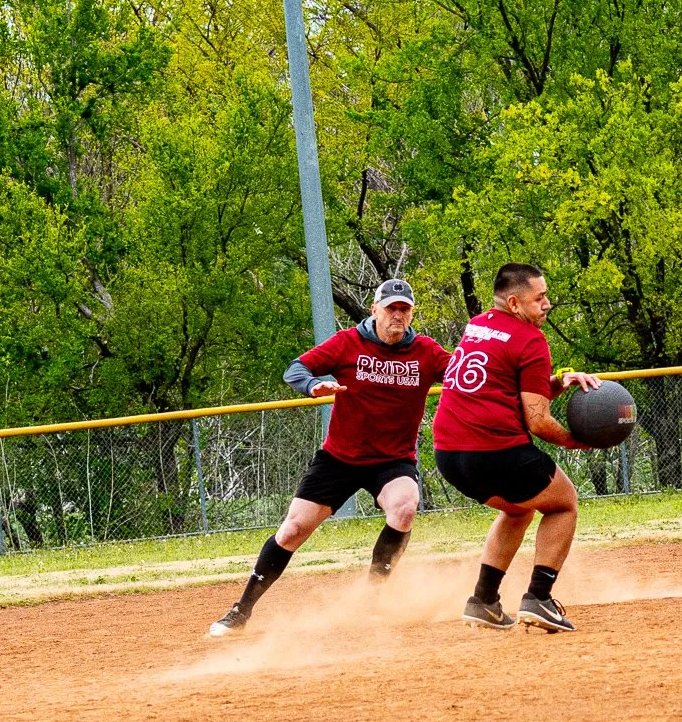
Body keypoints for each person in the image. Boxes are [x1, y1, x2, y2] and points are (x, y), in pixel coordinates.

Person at [209, 279, 453, 636]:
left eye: (404, 309)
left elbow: (468, 377)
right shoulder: (347, 343)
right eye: (391, 308)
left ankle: (373, 598)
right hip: (340, 458)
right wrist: (312, 386)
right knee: (293, 530)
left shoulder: (426, 352)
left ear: (411, 313)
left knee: (405, 506)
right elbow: (295, 369)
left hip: (392, 460)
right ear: (375, 310)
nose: (397, 315)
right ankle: (240, 610)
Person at [431, 263, 602, 633]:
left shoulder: (478, 325)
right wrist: (577, 441)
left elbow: (505, 390)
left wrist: (556, 382)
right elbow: (538, 422)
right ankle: (539, 598)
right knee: (563, 503)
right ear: (514, 302)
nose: (547, 304)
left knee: (518, 510)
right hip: (494, 450)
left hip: (448, 453)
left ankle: (484, 600)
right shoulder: (530, 340)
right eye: (539, 298)